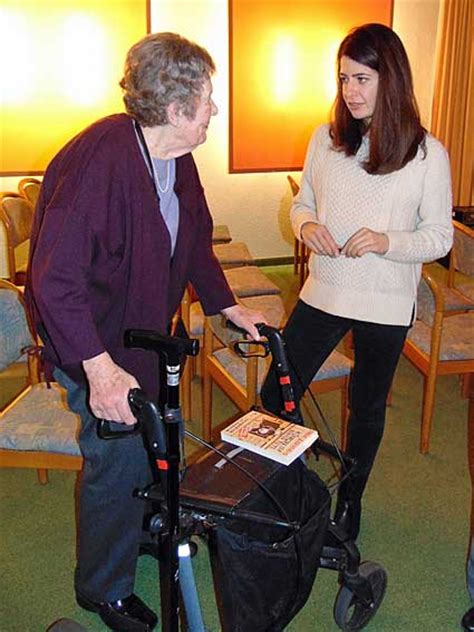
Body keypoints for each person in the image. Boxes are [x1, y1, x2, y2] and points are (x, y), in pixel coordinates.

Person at [26, 33, 265, 632]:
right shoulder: (99, 162)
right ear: (177, 108)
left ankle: (134, 533)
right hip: (95, 344)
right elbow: (53, 281)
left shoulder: (174, 156)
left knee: (151, 451)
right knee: (117, 462)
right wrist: (99, 369)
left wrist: (226, 306)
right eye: (208, 100)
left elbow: (195, 241)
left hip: (141, 341)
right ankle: (101, 590)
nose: (214, 110)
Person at [261, 23, 453, 541]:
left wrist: (387, 241)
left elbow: (439, 238)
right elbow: (300, 203)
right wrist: (306, 226)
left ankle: (351, 500)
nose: (351, 91)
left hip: (387, 300)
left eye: (363, 79)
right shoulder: (325, 140)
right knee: (275, 394)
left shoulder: (428, 154)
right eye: (344, 78)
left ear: (391, 80)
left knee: (366, 407)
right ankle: (285, 487)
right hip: (325, 287)